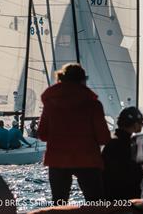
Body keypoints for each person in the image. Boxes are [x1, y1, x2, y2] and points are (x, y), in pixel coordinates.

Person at [38, 63, 111, 204]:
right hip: (88, 160)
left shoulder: (50, 103)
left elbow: (42, 134)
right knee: (96, 204)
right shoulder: (93, 104)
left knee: (59, 204)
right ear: (82, 80)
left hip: (57, 160)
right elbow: (103, 138)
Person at [102, 107, 143, 201]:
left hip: (111, 195)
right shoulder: (129, 145)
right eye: (141, 123)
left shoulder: (111, 143)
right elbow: (135, 171)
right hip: (127, 195)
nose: (142, 125)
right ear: (135, 124)